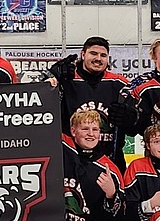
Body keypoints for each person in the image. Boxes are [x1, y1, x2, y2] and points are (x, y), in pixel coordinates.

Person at [48, 37, 131, 172]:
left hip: (110, 163)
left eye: (103, 55)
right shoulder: (67, 80)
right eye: (93, 53)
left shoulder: (120, 84)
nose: (98, 58)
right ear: (83, 54)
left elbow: (136, 124)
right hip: (70, 162)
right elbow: (36, 99)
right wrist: (50, 75)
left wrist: (131, 117)